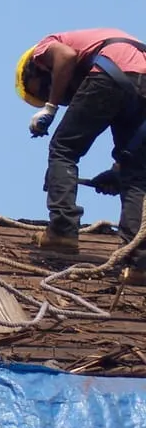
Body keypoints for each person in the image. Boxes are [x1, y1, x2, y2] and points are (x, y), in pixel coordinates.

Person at [16, 28, 146, 283]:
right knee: (136, 174)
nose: (57, 93)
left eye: (45, 88)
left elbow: (64, 56)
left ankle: (62, 230)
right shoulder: (105, 42)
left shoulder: (46, 47)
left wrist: (50, 109)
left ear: (36, 67)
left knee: (64, 148)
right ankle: (139, 264)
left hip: (110, 73)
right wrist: (117, 170)